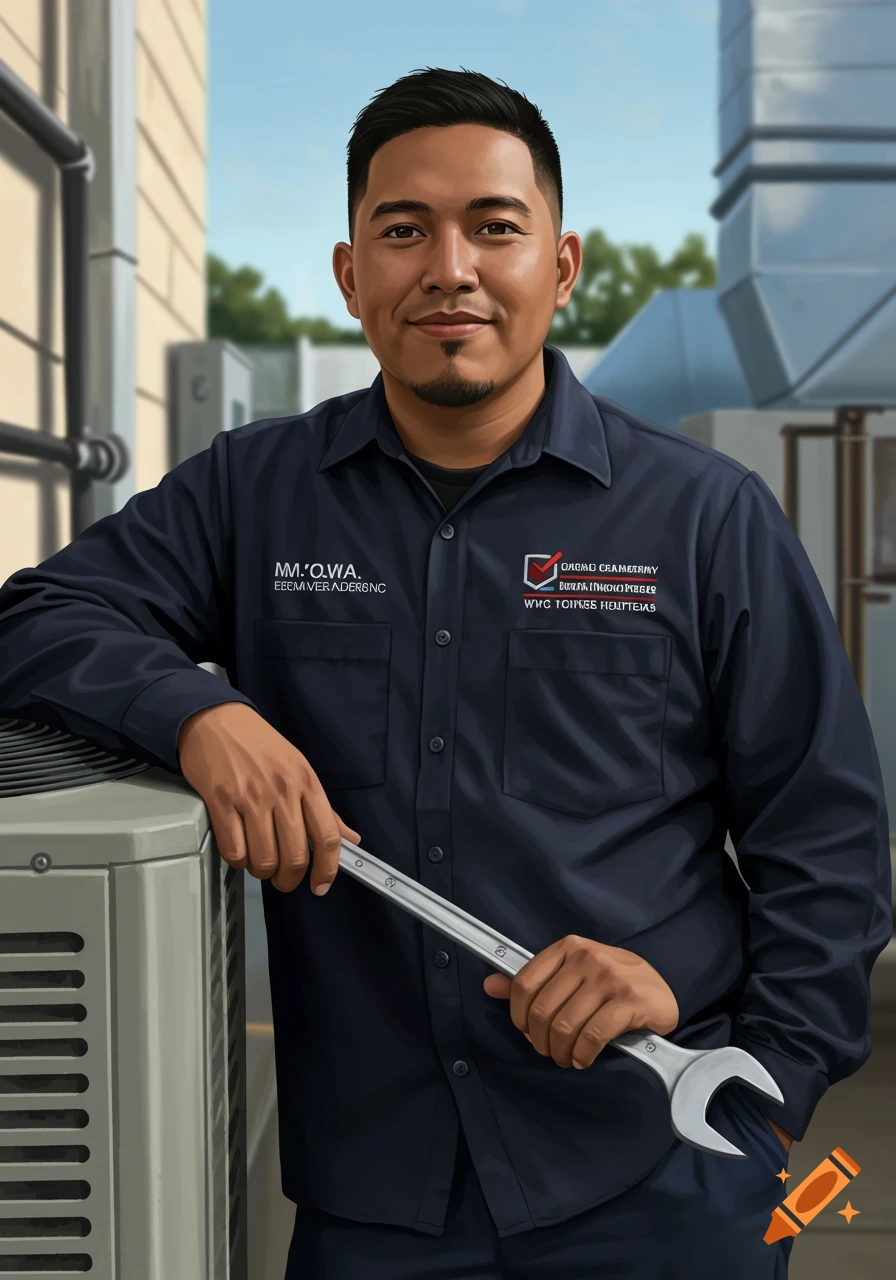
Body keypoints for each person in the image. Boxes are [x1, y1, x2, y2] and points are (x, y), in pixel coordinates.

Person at [0, 66, 891, 1280]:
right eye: (403, 229)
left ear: (560, 266)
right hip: (379, 1191)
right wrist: (197, 709)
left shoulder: (702, 519)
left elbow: (824, 834)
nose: (449, 267)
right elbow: (39, 615)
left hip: (657, 1172)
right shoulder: (252, 493)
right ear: (349, 274)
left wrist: (770, 1082)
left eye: (493, 226)